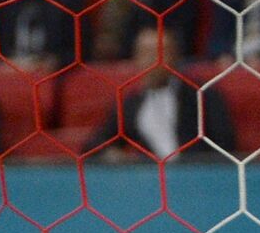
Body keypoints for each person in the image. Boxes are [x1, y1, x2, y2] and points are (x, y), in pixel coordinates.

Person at [87, 26, 237, 158]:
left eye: (160, 52)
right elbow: (95, 144)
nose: (152, 61)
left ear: (176, 56)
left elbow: (225, 144)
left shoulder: (203, 94)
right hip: (152, 182)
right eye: (145, 53)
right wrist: (112, 154)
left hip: (198, 178)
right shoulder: (131, 103)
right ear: (135, 58)